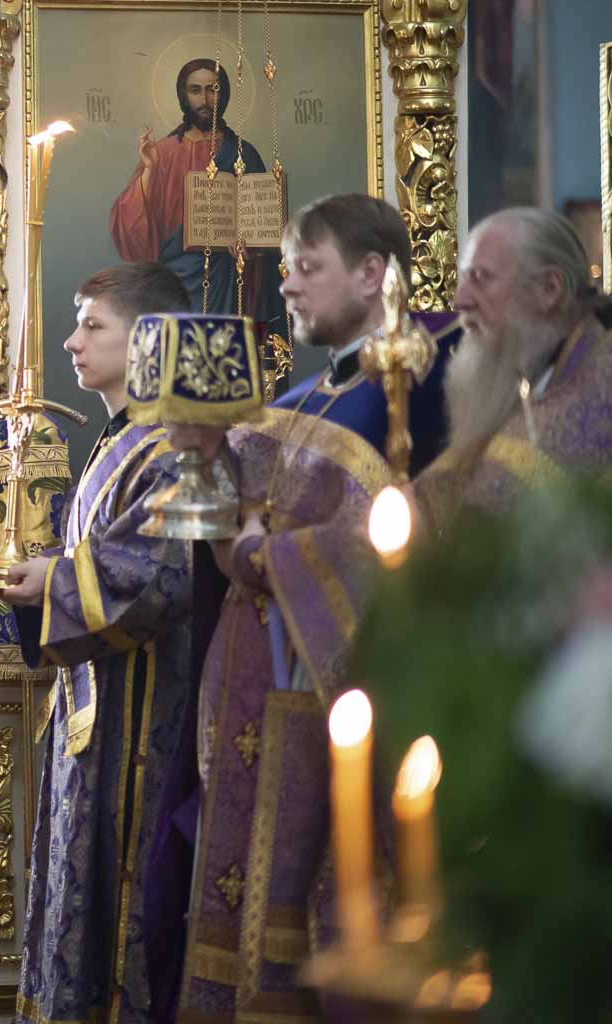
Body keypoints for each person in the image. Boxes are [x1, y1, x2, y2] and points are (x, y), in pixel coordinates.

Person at [170, 194, 454, 1020]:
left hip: (350, 695)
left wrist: (265, 553)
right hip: (264, 693)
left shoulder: (418, 382)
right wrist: (209, 468)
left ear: (372, 273)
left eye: (307, 267)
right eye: (287, 268)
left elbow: (399, 537)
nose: (287, 286)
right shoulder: (301, 397)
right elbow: (221, 530)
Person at [0, 263, 196, 1024]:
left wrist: (49, 581)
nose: (73, 341)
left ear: (148, 340)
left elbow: (161, 575)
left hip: (146, 714)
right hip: (95, 708)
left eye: (93, 326)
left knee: (123, 895)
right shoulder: (121, 439)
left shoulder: (173, 444)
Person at [413, 206, 612, 525]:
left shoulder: (600, 380)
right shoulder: (531, 367)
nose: (460, 300)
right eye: (464, 279)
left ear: (549, 289)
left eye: (480, 278)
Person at [109, 59, 284, 335]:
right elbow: (128, 226)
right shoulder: (162, 153)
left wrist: (249, 249)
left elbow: (266, 230)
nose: (204, 99)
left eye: (212, 89)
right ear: (183, 96)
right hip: (174, 281)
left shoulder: (244, 154)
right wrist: (149, 171)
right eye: (195, 90)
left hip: (228, 280)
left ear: (223, 93)